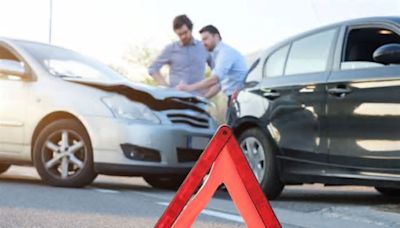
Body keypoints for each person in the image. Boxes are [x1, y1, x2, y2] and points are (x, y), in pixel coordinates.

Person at [176, 25, 248, 102]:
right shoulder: (218, 55)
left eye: (205, 39)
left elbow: (214, 79)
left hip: (241, 98)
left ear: (216, 37)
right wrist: (201, 99)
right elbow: (219, 85)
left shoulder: (225, 53)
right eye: (202, 40)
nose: (203, 43)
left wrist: (189, 87)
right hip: (235, 97)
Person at [148, 15, 210, 90]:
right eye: (180, 34)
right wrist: (166, 89)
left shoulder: (204, 47)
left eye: (185, 32)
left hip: (198, 98)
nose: (183, 36)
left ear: (190, 29)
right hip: (176, 97)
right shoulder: (171, 49)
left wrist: (208, 92)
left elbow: (218, 71)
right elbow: (153, 68)